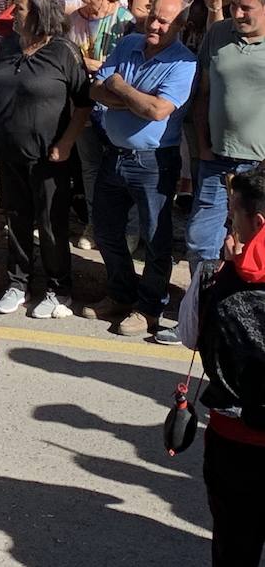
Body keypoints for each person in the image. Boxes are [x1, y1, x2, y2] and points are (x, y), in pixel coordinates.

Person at [80, 0, 197, 338]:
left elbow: (158, 112)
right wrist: (132, 98)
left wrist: (119, 86)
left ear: (181, 27)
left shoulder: (184, 63)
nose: (155, 26)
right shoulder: (130, 42)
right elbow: (96, 92)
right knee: (105, 231)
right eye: (153, 18)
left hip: (154, 161)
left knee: (155, 239)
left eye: (165, 22)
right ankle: (120, 293)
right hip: (114, 154)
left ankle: (148, 307)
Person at [164, 0, 265, 348]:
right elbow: (203, 94)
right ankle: (202, 314)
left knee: (259, 248)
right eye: (234, 5)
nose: (237, 13)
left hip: (259, 168)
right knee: (202, 240)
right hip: (217, 160)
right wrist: (203, 145)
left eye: (247, 8)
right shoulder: (218, 33)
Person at [0, 0, 92, 320]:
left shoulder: (64, 51)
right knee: (16, 220)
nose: (12, 14)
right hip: (9, 151)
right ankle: (18, 283)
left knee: (51, 223)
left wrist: (67, 142)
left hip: (50, 157)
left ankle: (58, 288)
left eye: (18, 8)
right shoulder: (6, 47)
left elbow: (84, 103)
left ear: (38, 13)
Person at [179, 163, 265, 566]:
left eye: (234, 211)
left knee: (234, 542)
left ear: (257, 220)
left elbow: (189, 336)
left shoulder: (214, 276)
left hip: (234, 437)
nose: (229, 219)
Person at [66, 0, 133, 247]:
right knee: (90, 168)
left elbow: (127, 67)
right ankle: (95, 225)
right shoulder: (72, 20)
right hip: (82, 103)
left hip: (116, 105)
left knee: (123, 167)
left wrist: (93, 65)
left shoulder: (125, 21)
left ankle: (129, 228)